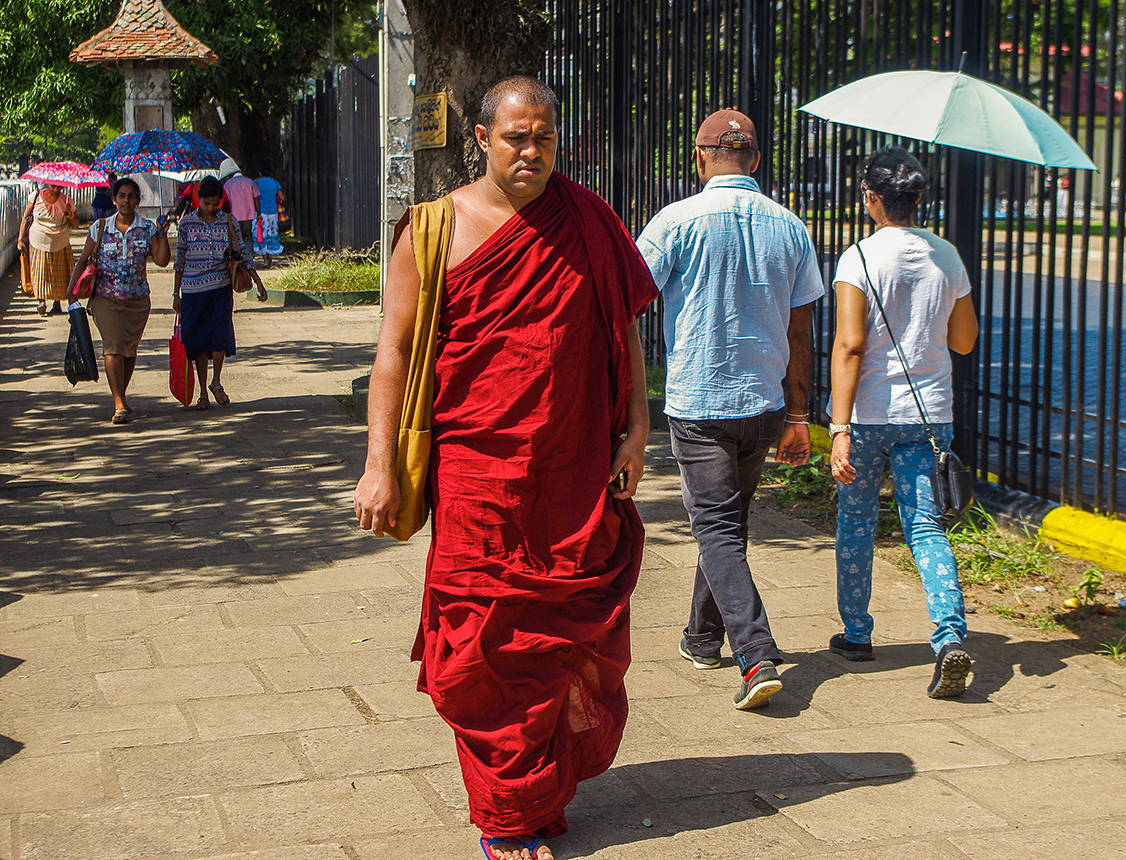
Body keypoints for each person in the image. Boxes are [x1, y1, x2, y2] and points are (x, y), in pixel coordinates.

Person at [353, 77, 657, 860]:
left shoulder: (588, 218)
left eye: (546, 137)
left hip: (574, 470)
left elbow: (621, 329)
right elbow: (391, 353)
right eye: (517, 137)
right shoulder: (431, 229)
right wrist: (378, 465)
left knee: (561, 643)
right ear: (481, 139)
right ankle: (507, 815)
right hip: (477, 476)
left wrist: (636, 428)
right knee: (478, 652)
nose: (532, 152)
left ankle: (529, 798)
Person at [636, 109, 825, 711]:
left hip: (697, 401)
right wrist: (798, 415)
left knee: (717, 527)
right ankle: (701, 636)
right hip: (762, 404)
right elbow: (802, 332)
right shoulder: (790, 228)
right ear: (757, 160)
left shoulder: (675, 222)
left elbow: (626, 293)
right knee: (729, 525)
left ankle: (756, 653)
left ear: (699, 158)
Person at [827, 146, 979, 698]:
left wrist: (838, 427)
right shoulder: (947, 256)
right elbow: (963, 340)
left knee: (857, 522)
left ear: (872, 198)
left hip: (868, 415)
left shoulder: (859, 258)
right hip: (930, 416)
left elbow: (849, 345)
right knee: (925, 527)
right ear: (919, 198)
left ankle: (857, 633)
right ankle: (948, 637)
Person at [66, 178, 172, 424]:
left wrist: (162, 235)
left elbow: (161, 260)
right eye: (121, 196)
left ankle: (121, 395)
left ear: (138, 200)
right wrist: (71, 291)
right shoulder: (100, 227)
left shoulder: (147, 228)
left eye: (131, 196)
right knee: (113, 346)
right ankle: (118, 403)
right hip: (106, 298)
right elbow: (83, 260)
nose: (126, 200)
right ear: (114, 199)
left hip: (137, 301)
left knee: (129, 350)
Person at [174, 176, 267, 411]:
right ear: (198, 200)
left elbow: (242, 252)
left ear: (221, 201)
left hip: (221, 289)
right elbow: (180, 260)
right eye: (206, 203)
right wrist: (176, 294)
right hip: (193, 292)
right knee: (198, 343)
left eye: (215, 204)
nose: (210, 208)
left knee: (219, 338)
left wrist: (257, 281)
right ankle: (203, 392)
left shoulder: (228, 221)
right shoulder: (186, 224)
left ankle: (216, 381)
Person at [18, 184, 79, 316]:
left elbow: (76, 225)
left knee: (58, 273)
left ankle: (57, 303)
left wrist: (70, 214)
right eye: (53, 187)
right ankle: (41, 301)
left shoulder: (67, 200)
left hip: (60, 241)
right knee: (40, 271)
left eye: (59, 187)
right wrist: (20, 238)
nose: (56, 190)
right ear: (47, 183)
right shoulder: (36, 197)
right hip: (38, 240)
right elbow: (26, 218)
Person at [222, 170, 260, 259]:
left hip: (234, 214)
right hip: (248, 214)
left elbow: (225, 200)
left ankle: (238, 256)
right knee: (247, 235)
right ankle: (249, 255)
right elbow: (256, 198)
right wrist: (258, 212)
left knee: (235, 236)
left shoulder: (228, 184)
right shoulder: (250, 182)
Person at [254, 165, 285, 267]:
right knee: (271, 234)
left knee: (262, 235)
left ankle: (265, 260)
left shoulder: (256, 182)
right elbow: (282, 198)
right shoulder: (275, 183)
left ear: (260, 172)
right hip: (273, 213)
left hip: (260, 213)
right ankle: (270, 256)